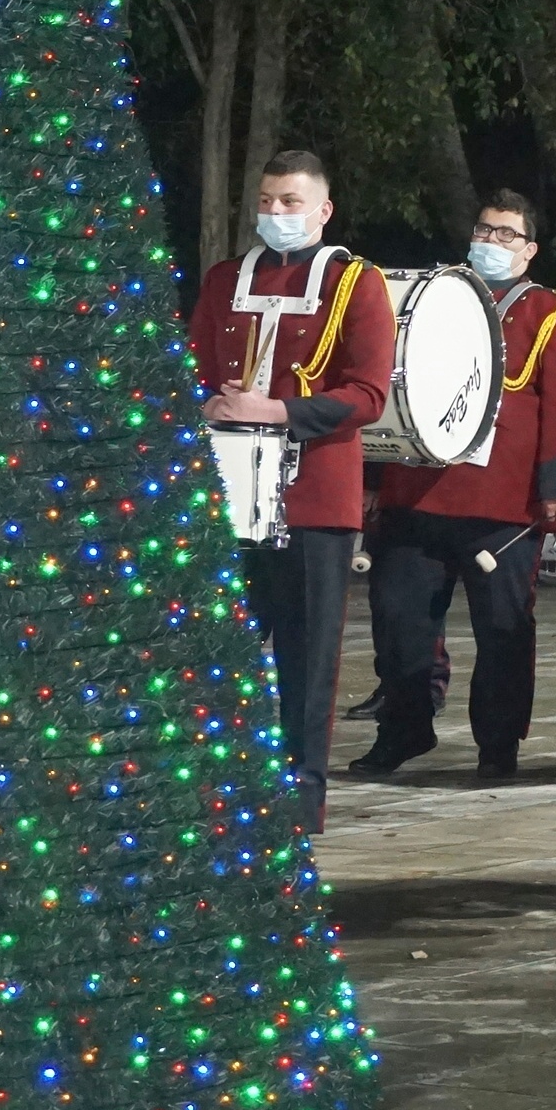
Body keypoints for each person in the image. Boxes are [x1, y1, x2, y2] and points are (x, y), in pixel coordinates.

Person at [353, 190, 556, 781]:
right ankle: (405, 728)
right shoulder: (435, 297)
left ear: (531, 249)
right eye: (485, 230)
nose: (490, 241)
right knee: (397, 618)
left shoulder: (553, 313)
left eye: (506, 234)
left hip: (504, 504)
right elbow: (392, 390)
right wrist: (371, 479)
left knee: (503, 632)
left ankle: (497, 746)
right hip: (416, 491)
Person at [190, 150, 395, 831]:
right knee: (224, 651)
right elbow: (192, 369)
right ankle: (227, 784)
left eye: (291, 202)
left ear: (323, 210)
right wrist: (208, 405)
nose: (276, 213)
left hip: (313, 498)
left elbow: (366, 394)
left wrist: (274, 410)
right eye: (269, 199)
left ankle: (300, 796)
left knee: (308, 659)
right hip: (228, 494)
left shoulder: (355, 283)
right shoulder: (225, 280)